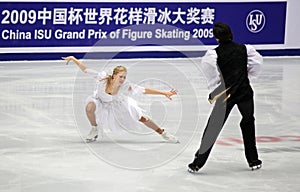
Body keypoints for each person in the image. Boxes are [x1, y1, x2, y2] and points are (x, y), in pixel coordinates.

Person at [188, 22, 263, 172]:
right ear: (231, 34)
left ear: (216, 38)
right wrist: (245, 77)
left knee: (213, 127)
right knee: (248, 123)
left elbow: (211, 74)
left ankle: (197, 163)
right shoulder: (245, 49)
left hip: (225, 94)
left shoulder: (214, 54)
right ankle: (253, 160)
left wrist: (218, 85)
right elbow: (257, 64)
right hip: (244, 92)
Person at [62, 56, 179, 143]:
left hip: (116, 104)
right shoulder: (102, 78)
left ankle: (163, 133)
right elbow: (85, 70)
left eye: (124, 77)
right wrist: (73, 58)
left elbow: (144, 90)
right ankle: (94, 128)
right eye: (120, 76)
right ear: (114, 76)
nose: (122, 79)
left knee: (142, 118)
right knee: (89, 107)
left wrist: (164, 93)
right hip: (100, 101)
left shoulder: (125, 85)